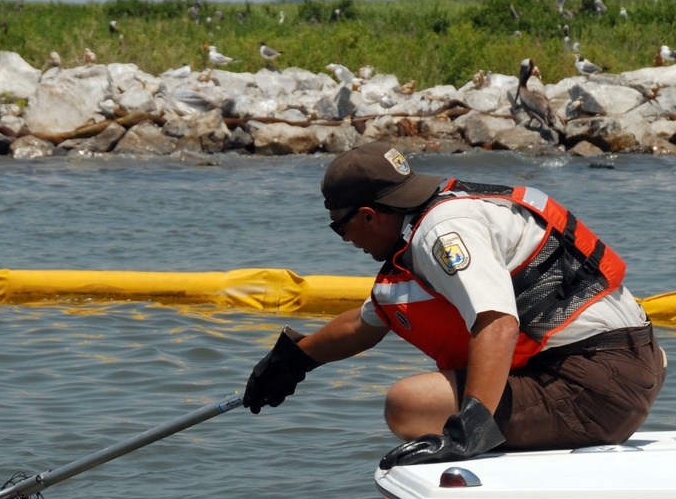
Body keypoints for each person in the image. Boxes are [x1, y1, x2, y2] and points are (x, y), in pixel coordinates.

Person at [244, 141, 667, 471]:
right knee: (430, 396)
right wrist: (296, 358)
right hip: (631, 365)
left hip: (595, 386)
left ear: (370, 216)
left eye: (340, 227)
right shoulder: (441, 211)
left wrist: (471, 432)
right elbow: (369, 321)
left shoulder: (443, 233)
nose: (346, 240)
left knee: (408, 404)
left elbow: (497, 322)